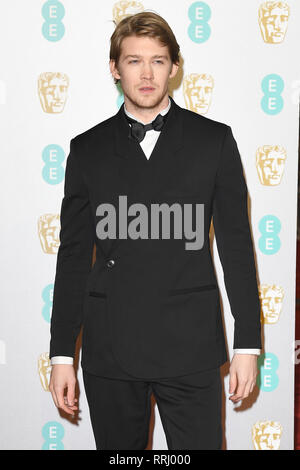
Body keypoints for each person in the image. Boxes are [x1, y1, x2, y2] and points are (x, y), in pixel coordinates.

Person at [49, 11, 262, 450]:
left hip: (191, 347)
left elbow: (237, 249)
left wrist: (248, 345)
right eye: (133, 61)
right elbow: (72, 258)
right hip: (110, 347)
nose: (146, 74)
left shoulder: (214, 142)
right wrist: (62, 354)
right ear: (115, 69)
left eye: (158, 61)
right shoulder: (86, 150)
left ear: (174, 67)